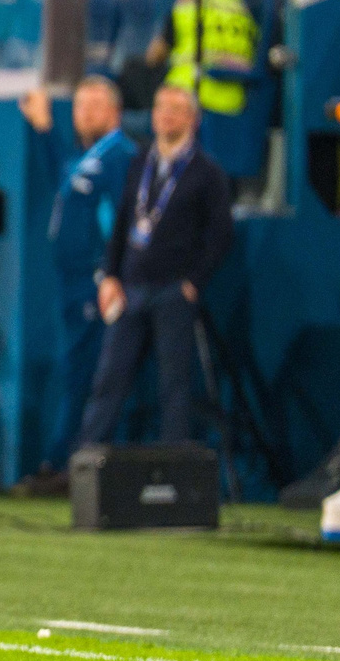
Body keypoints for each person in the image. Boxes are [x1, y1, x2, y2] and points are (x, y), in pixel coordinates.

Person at [77, 83, 234, 448]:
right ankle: (86, 465)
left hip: (172, 290)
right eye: (160, 108)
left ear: (192, 120)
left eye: (175, 110)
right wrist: (110, 275)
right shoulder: (140, 162)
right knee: (109, 379)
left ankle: (172, 469)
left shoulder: (206, 172)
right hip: (130, 288)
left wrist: (194, 282)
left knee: (173, 384)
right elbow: (121, 223)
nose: (165, 116)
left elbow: (221, 235)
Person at [20, 75, 137, 494]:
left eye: (94, 105)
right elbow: (63, 177)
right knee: (77, 373)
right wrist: (44, 127)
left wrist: (111, 271)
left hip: (97, 284)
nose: (84, 113)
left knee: (91, 374)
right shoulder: (87, 158)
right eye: (80, 106)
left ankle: (75, 464)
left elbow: (123, 220)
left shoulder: (121, 155)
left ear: (114, 112)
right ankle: (68, 462)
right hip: (71, 284)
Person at [141, 0, 257, 118]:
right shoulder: (241, 9)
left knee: (133, 70)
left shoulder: (185, 10)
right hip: (234, 102)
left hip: (186, 100)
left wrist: (182, 0)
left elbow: (153, 57)